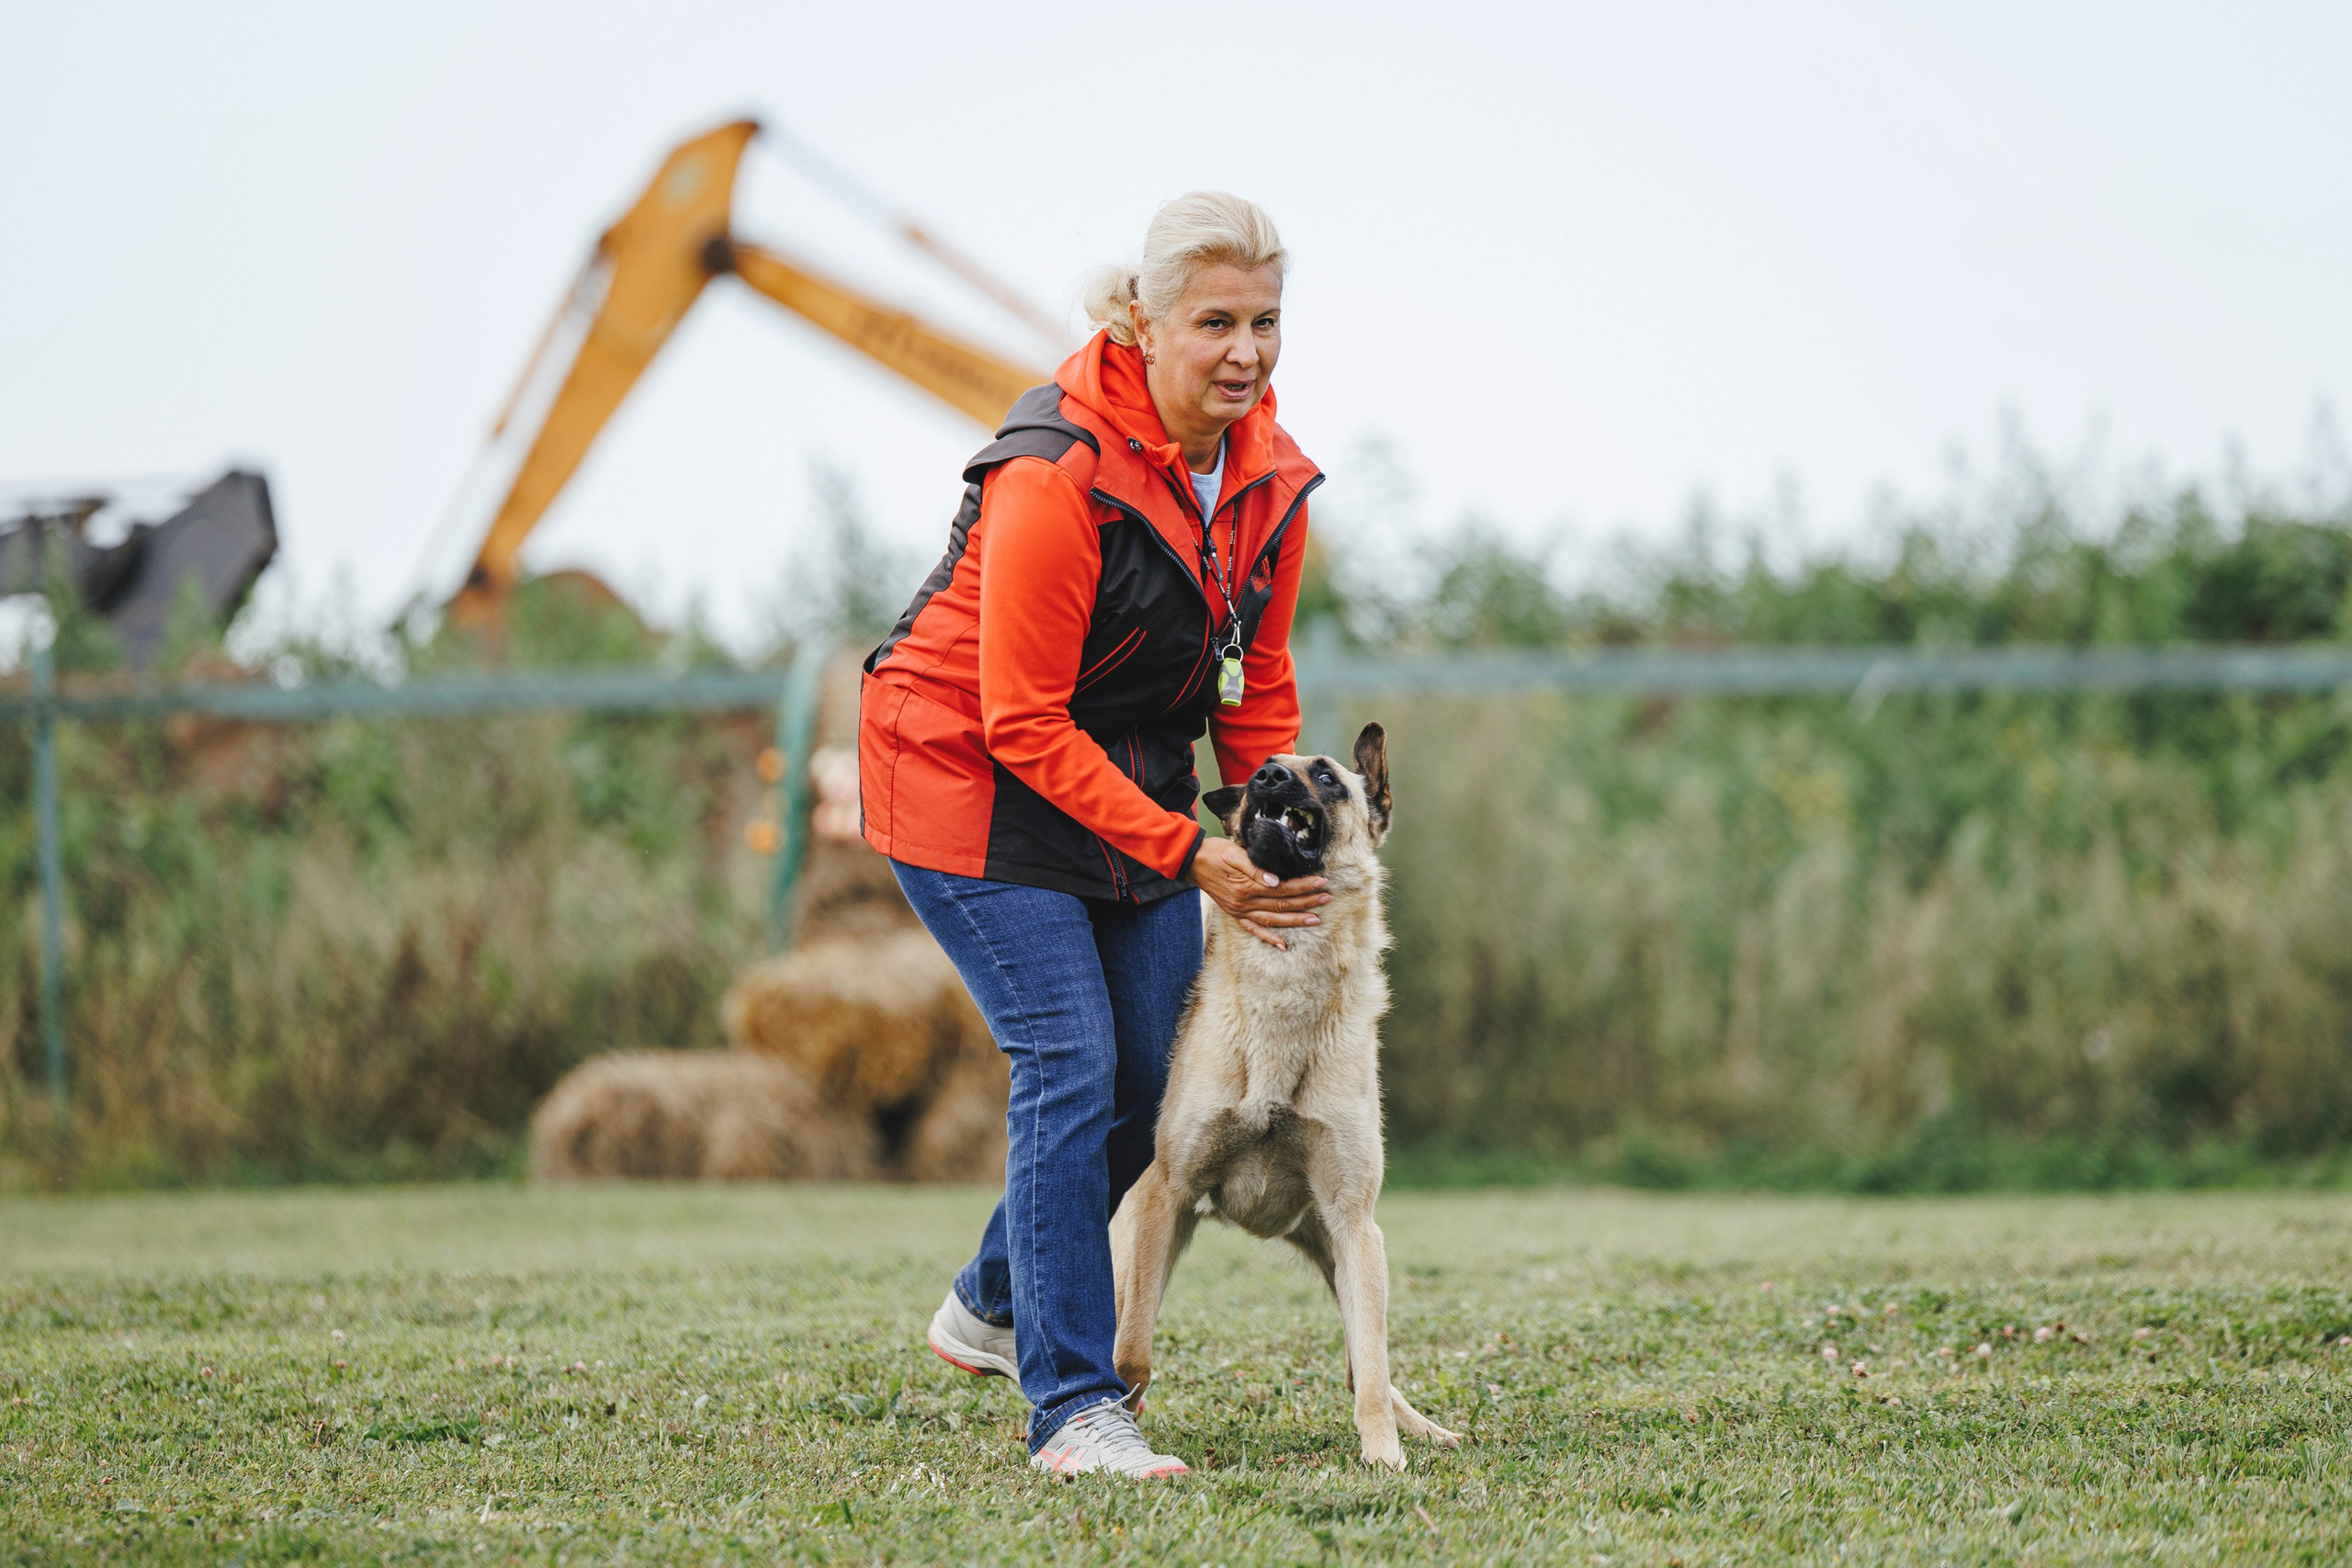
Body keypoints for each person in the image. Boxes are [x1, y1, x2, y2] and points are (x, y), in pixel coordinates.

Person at [857, 192, 1326, 1478]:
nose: (1246, 352)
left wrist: (1272, 836)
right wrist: (1189, 854)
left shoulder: (1272, 483)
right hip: (964, 767)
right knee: (1069, 1062)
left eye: (1267, 323)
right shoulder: (1055, 471)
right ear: (1145, 320)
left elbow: (1258, 686)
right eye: (1216, 322)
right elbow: (1016, 719)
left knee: (1150, 1083)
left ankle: (990, 1301)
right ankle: (1073, 1410)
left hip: (1122, 778)